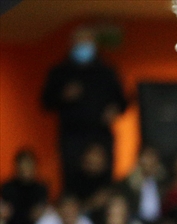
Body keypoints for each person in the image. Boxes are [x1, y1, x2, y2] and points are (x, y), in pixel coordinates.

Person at [39, 26, 126, 188]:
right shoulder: (60, 71)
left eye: (87, 41)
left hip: (100, 135)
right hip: (72, 137)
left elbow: (122, 101)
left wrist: (114, 109)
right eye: (80, 41)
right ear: (72, 43)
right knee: (72, 181)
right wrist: (63, 96)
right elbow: (45, 102)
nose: (84, 45)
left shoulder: (107, 71)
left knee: (103, 184)